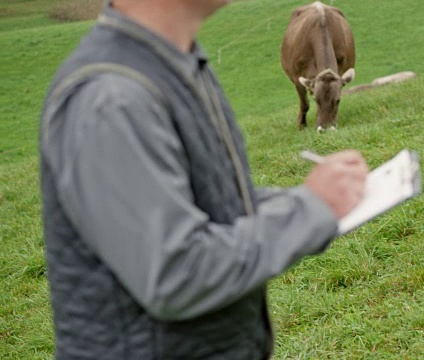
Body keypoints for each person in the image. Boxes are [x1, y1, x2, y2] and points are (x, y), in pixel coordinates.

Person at [39, 0, 368, 358]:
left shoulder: (174, 64)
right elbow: (174, 274)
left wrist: (307, 200)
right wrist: (308, 209)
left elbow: (205, 204)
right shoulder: (113, 97)